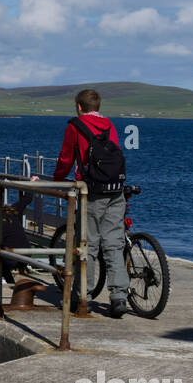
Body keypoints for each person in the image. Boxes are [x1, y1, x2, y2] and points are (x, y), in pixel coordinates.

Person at [53, 88, 128, 317]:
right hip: (116, 190)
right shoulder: (109, 125)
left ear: (79, 106)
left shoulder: (75, 126)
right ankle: (118, 297)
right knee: (114, 243)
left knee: (88, 245)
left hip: (91, 192)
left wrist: (58, 180)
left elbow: (66, 158)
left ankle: (84, 295)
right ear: (98, 106)